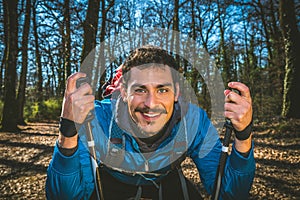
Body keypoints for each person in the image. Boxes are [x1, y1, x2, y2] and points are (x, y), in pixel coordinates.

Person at [46, 45, 255, 200]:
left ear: (176, 93)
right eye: (140, 89)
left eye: (162, 89)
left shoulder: (193, 122)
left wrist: (244, 135)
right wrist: (68, 131)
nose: (151, 103)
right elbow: (65, 196)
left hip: (165, 182)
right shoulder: (96, 120)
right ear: (124, 93)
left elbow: (228, 193)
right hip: (110, 183)